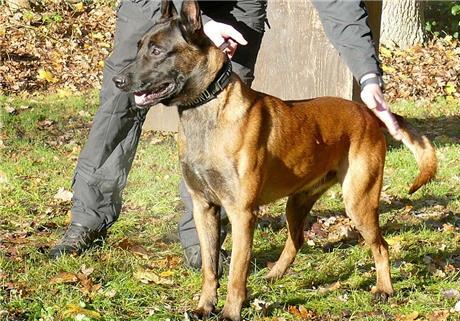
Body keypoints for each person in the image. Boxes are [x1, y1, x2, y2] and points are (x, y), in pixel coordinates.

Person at [49, 0, 402, 269]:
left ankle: (200, 243)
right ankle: (88, 220)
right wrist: (200, 24)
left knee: (230, 119)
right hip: (157, 5)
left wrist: (368, 76)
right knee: (121, 104)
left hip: (237, 6)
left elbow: (338, 3)